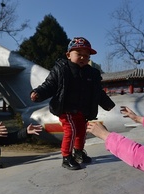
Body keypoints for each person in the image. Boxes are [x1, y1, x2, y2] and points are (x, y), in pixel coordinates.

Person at [30, 37, 115, 170]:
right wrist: (39, 93)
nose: (83, 57)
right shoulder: (62, 69)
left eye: (86, 55)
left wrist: (107, 104)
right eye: (79, 54)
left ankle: (79, 152)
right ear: (69, 55)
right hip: (66, 109)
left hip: (83, 110)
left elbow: (98, 92)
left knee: (81, 132)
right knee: (71, 131)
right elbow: (50, 84)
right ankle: (66, 157)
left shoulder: (92, 73)